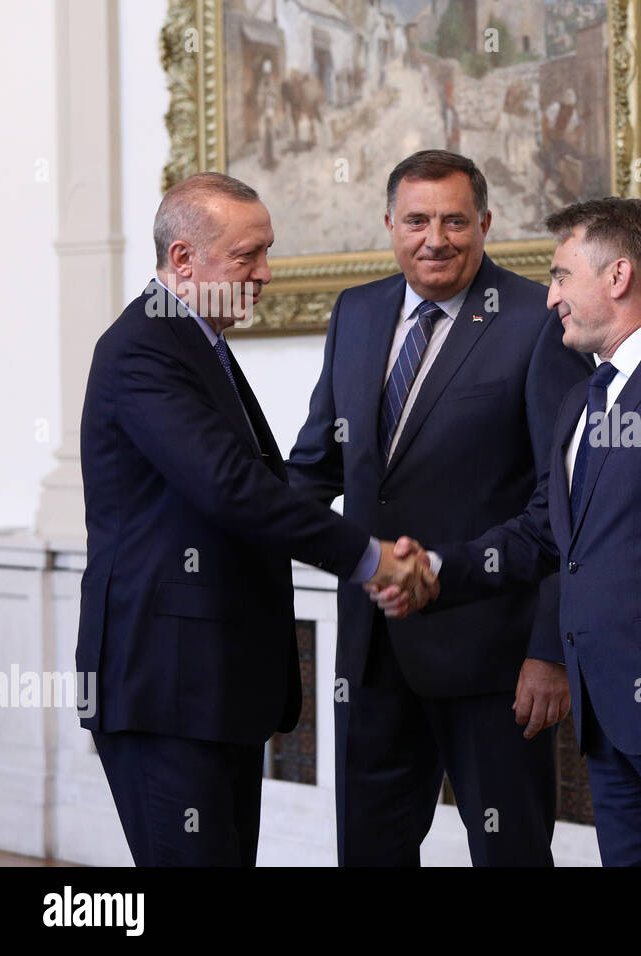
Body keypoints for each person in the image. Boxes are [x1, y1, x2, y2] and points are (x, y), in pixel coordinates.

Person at [374, 197, 641, 866]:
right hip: (609, 720)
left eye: (560, 276)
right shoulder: (584, 398)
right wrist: (436, 564)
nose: (550, 300)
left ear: (617, 276)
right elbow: (545, 534)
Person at [76, 172, 435, 866]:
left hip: (212, 687)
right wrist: (371, 559)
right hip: (166, 687)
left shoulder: (196, 342)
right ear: (184, 260)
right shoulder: (143, 348)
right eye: (249, 255)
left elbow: (265, 489)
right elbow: (230, 487)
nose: (266, 273)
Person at [286, 151, 592, 866]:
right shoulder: (356, 313)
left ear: (485, 224)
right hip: (371, 653)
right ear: (390, 224)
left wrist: (549, 651)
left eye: (456, 221)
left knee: (509, 851)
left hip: (496, 658)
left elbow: (566, 503)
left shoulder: (535, 320)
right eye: (417, 220)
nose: (436, 238)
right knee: (370, 851)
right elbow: (315, 468)